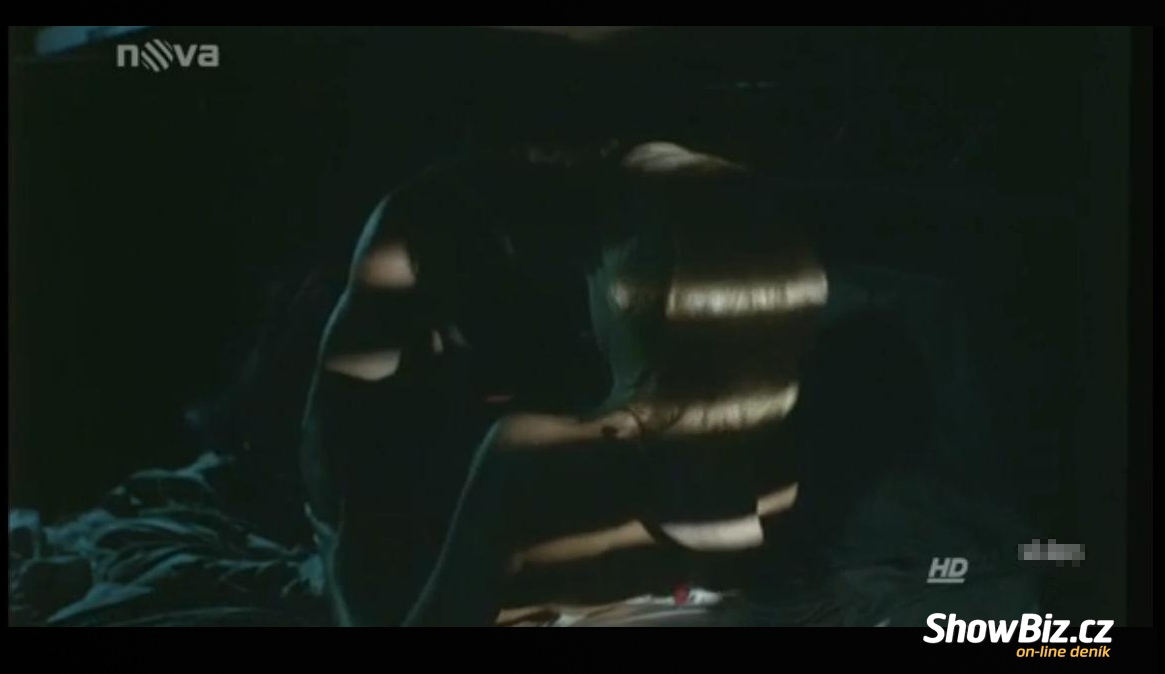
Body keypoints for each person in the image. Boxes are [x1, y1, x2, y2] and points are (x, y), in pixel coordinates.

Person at [299, 140, 830, 626]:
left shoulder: (531, 451)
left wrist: (343, 562)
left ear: (632, 307)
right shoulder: (783, 459)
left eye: (603, 266)